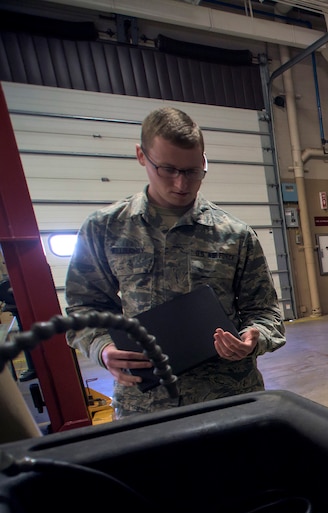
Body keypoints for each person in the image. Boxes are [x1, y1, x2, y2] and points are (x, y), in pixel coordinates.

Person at [65, 107, 285, 418]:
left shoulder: (235, 235)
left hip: (229, 396)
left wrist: (253, 338)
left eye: (193, 171)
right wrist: (103, 348)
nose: (181, 184)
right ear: (142, 156)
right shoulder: (105, 228)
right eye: (167, 169)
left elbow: (265, 311)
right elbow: (83, 307)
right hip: (145, 404)